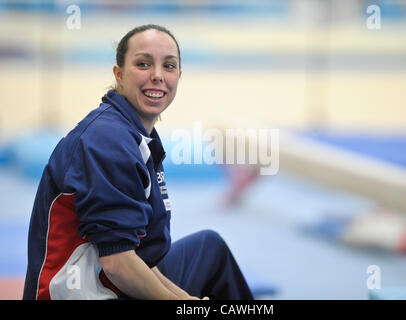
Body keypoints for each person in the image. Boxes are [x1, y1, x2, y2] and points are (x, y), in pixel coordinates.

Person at [23, 24, 254, 300]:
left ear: (179, 76)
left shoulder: (136, 137)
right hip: (84, 292)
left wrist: (184, 300)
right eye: (143, 64)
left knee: (209, 248)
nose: (157, 76)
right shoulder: (107, 141)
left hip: (106, 281)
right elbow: (117, 263)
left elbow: (141, 259)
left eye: (168, 66)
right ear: (119, 75)